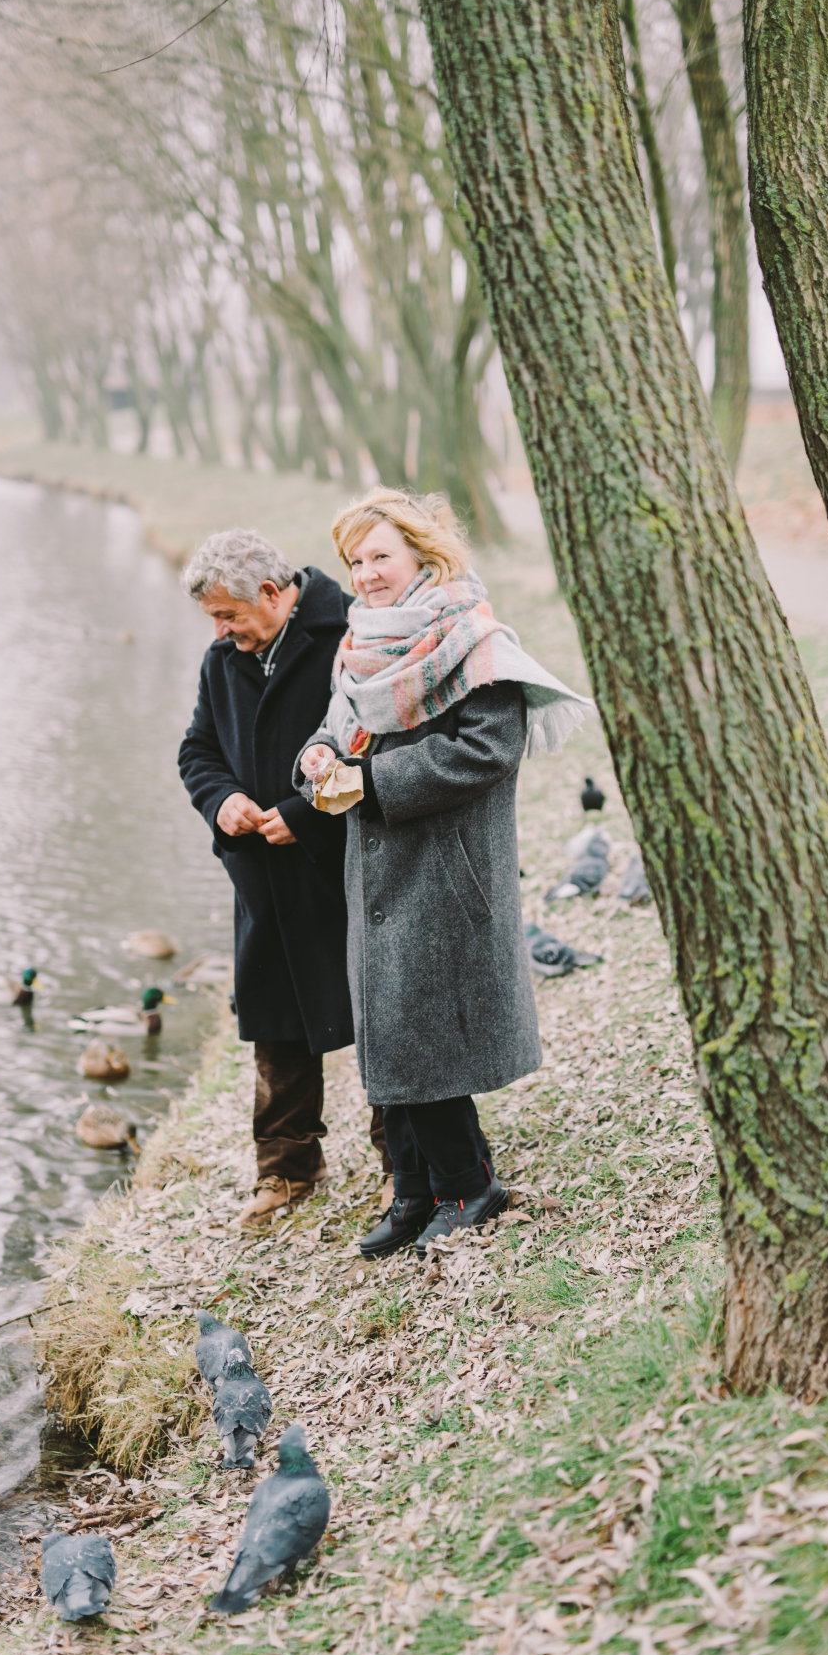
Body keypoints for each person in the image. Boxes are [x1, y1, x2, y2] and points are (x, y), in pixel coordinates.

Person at [297, 489, 590, 1259]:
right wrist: (319, 759)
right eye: (355, 561)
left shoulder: (473, 638)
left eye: (380, 556)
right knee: (391, 1033)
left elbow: (489, 749)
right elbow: (336, 728)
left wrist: (374, 783)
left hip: (445, 871)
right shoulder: (362, 644)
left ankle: (469, 1186)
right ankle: (414, 1191)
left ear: (424, 555)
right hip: (377, 872)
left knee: (426, 1034)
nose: (365, 574)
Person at [178, 530, 392, 1226]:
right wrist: (222, 801)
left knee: (380, 1016)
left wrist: (306, 813)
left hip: (343, 868)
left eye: (228, 614)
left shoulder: (348, 638)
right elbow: (198, 750)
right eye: (214, 618)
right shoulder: (223, 660)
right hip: (263, 879)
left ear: (272, 593)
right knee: (275, 1027)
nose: (220, 631)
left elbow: (377, 747)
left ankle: (403, 1160)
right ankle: (287, 1167)